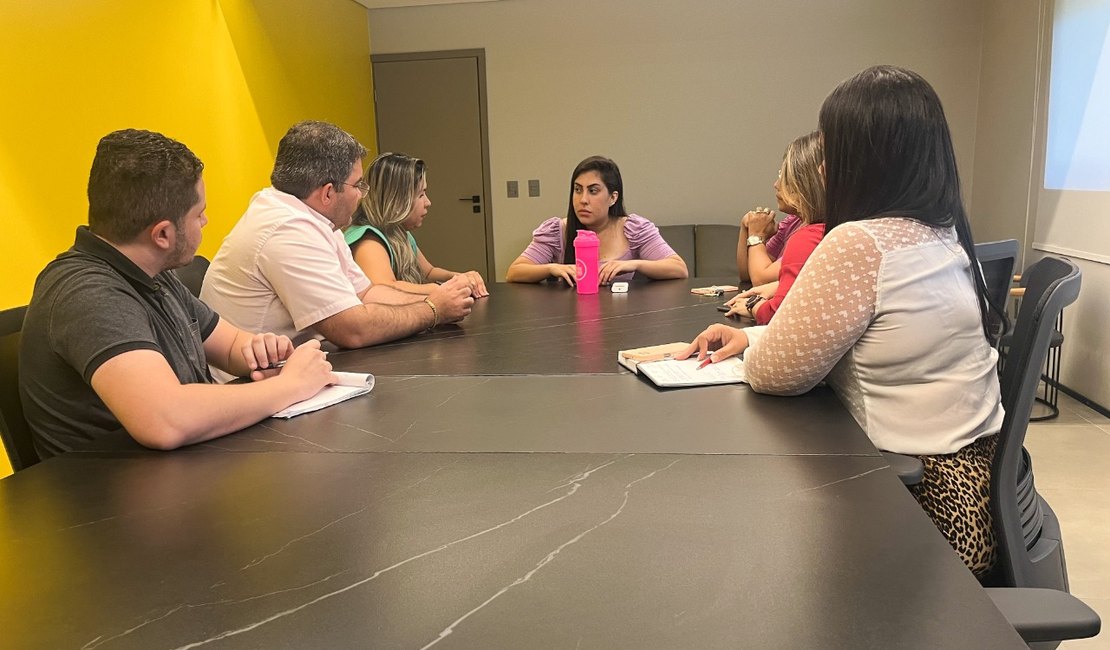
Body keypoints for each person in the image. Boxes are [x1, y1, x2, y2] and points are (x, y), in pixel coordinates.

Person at [680, 65, 1006, 579]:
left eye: (833, 151)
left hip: (922, 511)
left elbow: (773, 375)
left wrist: (754, 347)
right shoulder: (941, 234)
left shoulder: (861, 242)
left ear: (867, 160)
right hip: (978, 493)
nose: (826, 167)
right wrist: (750, 334)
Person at [19, 129, 338, 459]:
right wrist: (290, 386)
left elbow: (228, 345)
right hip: (105, 500)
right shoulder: (87, 294)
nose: (206, 220)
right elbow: (165, 420)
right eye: (198, 214)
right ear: (162, 234)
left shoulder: (152, 273)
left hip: (175, 476)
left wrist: (262, 353)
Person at [201, 121, 474, 362]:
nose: (361, 195)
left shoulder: (318, 221)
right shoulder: (287, 230)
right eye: (358, 185)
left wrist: (439, 297)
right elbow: (352, 330)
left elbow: (367, 294)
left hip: (296, 365)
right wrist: (433, 310)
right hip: (250, 383)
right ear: (328, 193)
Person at [505, 156, 688, 285]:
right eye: (578, 190)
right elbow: (514, 272)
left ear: (613, 197)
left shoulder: (633, 229)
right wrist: (551, 269)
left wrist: (634, 264)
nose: (583, 200)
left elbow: (679, 268)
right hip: (569, 323)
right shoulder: (557, 231)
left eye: (593, 191)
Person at [345, 152, 488, 298]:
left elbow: (429, 272)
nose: (428, 202)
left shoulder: (398, 232)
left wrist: (460, 278)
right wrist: (440, 289)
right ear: (396, 201)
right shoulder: (368, 241)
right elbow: (384, 287)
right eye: (420, 195)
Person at [725, 131, 826, 323]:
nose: (776, 184)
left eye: (784, 177)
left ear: (805, 184)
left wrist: (756, 236)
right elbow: (746, 273)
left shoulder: (814, 233)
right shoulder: (793, 222)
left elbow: (761, 278)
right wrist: (746, 228)